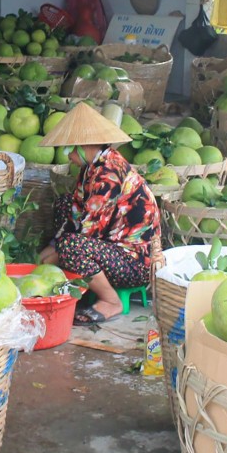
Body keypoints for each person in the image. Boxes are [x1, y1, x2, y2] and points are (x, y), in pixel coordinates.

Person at [36, 104, 161, 326]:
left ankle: (111, 301)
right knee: (64, 203)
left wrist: (50, 260)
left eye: (70, 148)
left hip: (133, 261)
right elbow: (76, 212)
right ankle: (81, 281)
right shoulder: (92, 167)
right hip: (109, 245)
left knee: (72, 248)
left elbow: (88, 232)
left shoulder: (108, 173)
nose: (68, 155)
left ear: (85, 145)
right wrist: (51, 248)